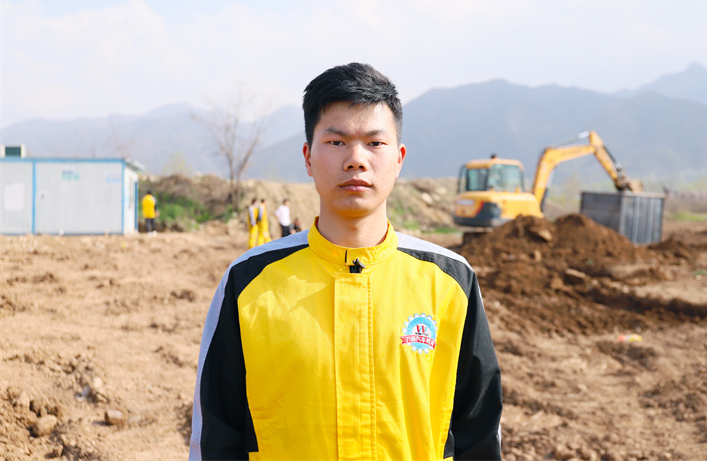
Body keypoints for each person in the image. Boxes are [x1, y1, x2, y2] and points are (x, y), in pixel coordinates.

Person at [190, 63, 502, 460]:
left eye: (374, 143)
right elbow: (217, 435)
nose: (356, 159)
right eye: (336, 142)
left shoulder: (450, 281)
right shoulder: (249, 281)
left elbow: (479, 433)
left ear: (399, 158)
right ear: (308, 157)